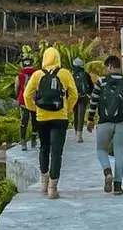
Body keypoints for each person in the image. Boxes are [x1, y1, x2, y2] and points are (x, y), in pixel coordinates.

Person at [23, 47, 77, 200]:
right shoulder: (65, 74)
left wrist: (33, 108)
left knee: (44, 148)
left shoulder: (37, 75)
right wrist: (68, 109)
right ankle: (53, 187)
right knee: (57, 152)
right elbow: (74, 93)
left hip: (42, 118)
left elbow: (27, 94)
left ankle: (43, 183)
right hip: (60, 117)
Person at [86, 55, 123, 196]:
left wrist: (90, 119)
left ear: (109, 66)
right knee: (120, 152)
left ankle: (107, 172)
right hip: (122, 123)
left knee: (101, 150)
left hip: (104, 123)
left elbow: (94, 102)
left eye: (106, 67)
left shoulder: (101, 82)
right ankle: (118, 186)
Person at [16, 56, 39, 150]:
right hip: (34, 101)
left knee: (24, 122)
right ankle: (33, 140)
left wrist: (18, 97)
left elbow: (17, 88)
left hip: (23, 101)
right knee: (35, 121)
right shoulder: (36, 74)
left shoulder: (20, 75)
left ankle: (23, 142)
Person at [70, 58, 93, 143]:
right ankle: (79, 135)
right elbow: (91, 86)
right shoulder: (85, 74)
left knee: (75, 114)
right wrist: (90, 94)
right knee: (81, 116)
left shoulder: (71, 75)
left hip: (74, 97)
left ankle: (76, 133)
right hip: (84, 97)